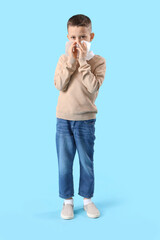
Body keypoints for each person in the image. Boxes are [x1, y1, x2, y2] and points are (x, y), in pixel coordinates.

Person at [54, 14, 106, 219]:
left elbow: (93, 87)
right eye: (73, 37)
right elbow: (59, 84)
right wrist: (71, 60)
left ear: (91, 36)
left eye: (82, 37)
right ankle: (67, 201)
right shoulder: (63, 59)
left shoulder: (98, 61)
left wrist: (83, 62)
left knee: (86, 161)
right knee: (64, 163)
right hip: (63, 119)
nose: (78, 42)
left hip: (85, 120)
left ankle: (87, 200)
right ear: (68, 37)